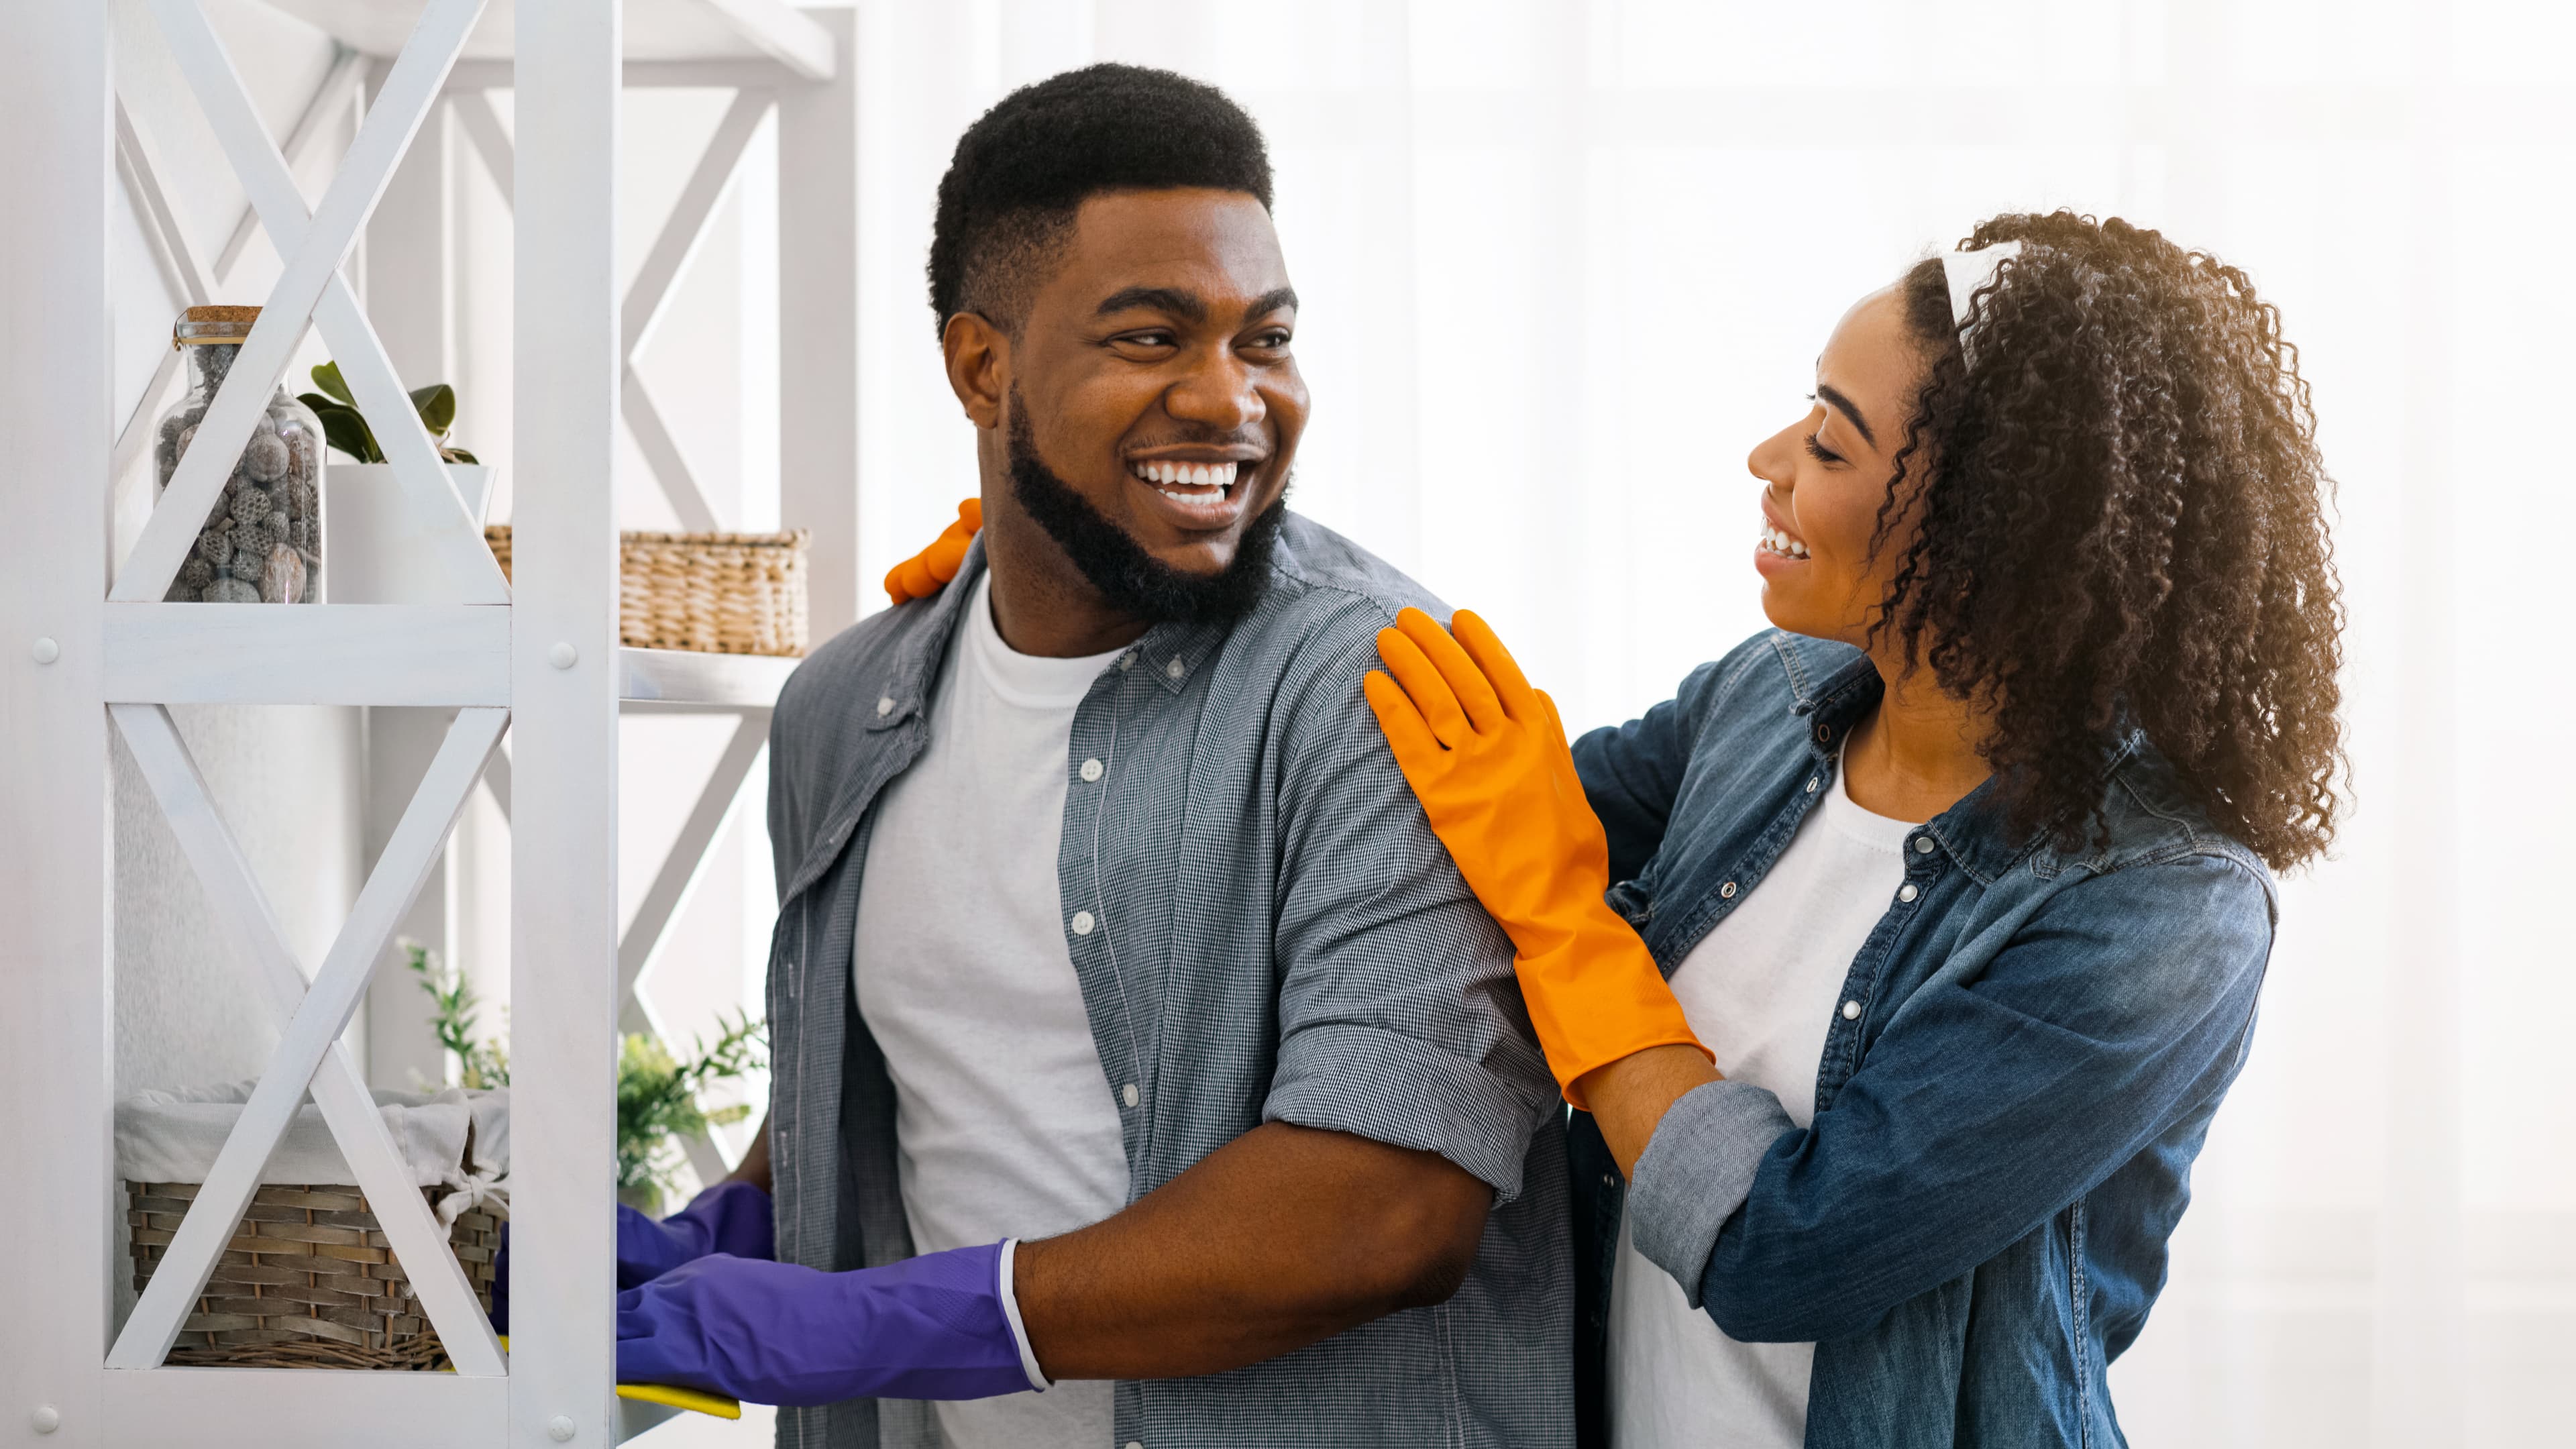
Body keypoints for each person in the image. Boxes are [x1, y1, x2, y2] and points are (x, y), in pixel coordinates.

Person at [610, 64, 1573, 1449]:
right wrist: (743, 1215)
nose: (1230, 399)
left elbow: (1387, 1209)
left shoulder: (1380, 689)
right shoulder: (844, 712)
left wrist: (900, 1323)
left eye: (1266, 339)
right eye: (1152, 337)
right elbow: (935, 1057)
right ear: (980, 366)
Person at [1362, 214, 2343, 1447]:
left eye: (1829, 442)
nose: (1768, 457)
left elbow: (1788, 1247)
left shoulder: (2159, 908)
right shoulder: (1766, 699)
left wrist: (1564, 918)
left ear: (1992, 527)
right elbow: (1479, 825)